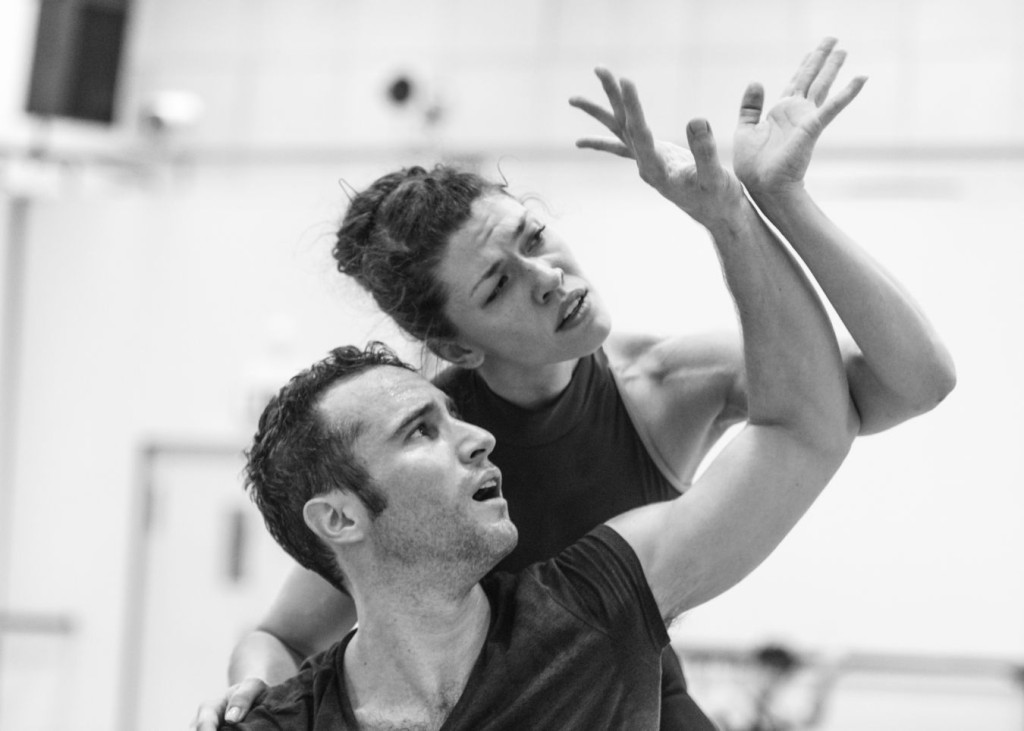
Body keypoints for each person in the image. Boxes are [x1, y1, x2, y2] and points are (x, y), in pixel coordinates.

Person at [191, 38, 955, 730]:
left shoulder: (663, 382)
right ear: (453, 343)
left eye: (534, 236)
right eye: (498, 286)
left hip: (625, 693)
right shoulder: (420, 457)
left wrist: (762, 203)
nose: (549, 278)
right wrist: (250, 693)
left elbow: (903, 386)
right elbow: (281, 635)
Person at [230, 314, 855, 729]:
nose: (478, 437)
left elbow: (809, 427)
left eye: (454, 414)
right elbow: (275, 640)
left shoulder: (599, 602)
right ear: (340, 517)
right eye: (421, 431)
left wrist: (744, 210)